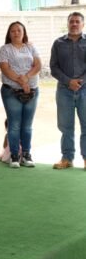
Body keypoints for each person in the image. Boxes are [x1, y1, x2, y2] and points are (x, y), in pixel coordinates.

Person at [0, 21, 41, 168]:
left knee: (27, 126)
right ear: (9, 34)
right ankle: (14, 155)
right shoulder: (5, 49)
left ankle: (27, 155)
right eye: (13, 31)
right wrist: (21, 81)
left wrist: (27, 78)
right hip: (11, 91)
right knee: (14, 125)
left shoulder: (31, 47)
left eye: (19, 30)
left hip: (32, 90)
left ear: (24, 32)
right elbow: (5, 68)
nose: (16, 33)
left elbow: (38, 65)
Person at [50, 12, 86, 169]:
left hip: (85, 90)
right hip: (64, 91)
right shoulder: (58, 43)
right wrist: (68, 82)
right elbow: (53, 67)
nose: (74, 24)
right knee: (66, 126)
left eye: (78, 21)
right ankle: (67, 158)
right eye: (72, 21)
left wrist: (80, 81)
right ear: (68, 23)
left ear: (83, 24)